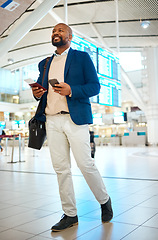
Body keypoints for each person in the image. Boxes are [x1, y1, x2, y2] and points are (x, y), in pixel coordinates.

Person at [31, 23, 113, 232]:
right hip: (51, 119)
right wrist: (37, 93)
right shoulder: (45, 63)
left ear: (70, 36)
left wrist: (71, 90)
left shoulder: (81, 58)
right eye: (53, 31)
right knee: (61, 169)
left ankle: (104, 200)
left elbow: (95, 87)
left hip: (75, 118)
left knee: (85, 164)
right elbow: (43, 89)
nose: (55, 33)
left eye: (60, 30)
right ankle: (70, 214)